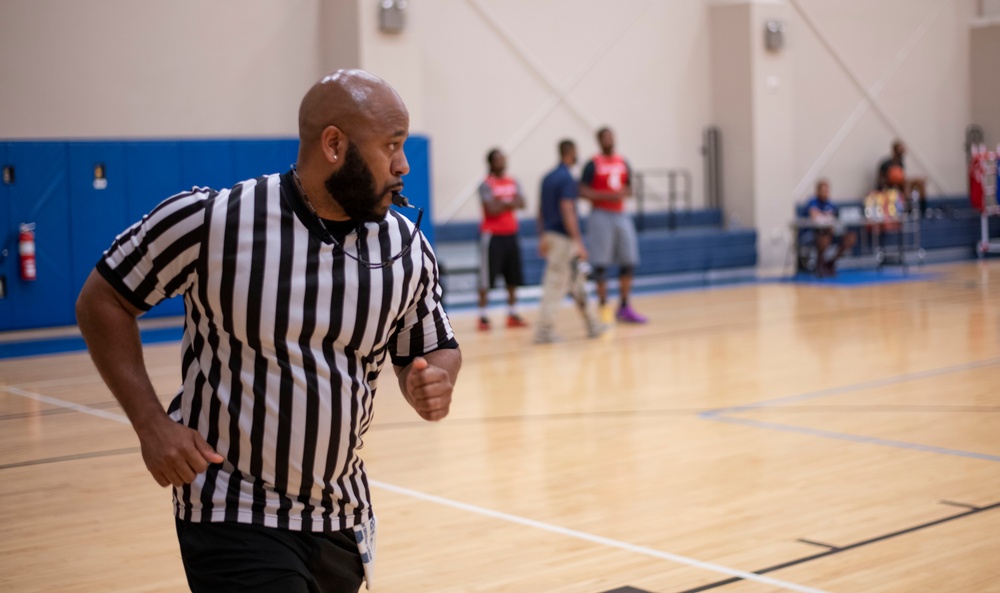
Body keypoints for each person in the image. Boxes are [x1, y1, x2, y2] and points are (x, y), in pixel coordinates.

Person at [75, 69, 461, 593]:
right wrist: (150, 424)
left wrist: (435, 380)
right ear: (333, 145)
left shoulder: (406, 248)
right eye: (390, 145)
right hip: (231, 506)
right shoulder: (213, 222)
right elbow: (105, 298)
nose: (403, 164)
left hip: (339, 514)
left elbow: (435, 347)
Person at [535, 139, 605, 343]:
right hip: (564, 239)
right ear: (571, 153)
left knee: (578, 283)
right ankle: (544, 332)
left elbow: (540, 210)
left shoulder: (547, 178)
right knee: (555, 284)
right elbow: (568, 210)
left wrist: (541, 237)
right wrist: (579, 242)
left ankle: (593, 325)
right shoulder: (566, 179)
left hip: (552, 235)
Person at [579, 127, 647, 324]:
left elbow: (630, 188)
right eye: (605, 138)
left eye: (611, 137)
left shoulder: (623, 161)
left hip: (620, 213)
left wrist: (622, 193)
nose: (609, 140)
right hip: (600, 214)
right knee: (600, 262)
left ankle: (625, 306)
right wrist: (605, 196)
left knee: (629, 260)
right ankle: (603, 307)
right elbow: (582, 190)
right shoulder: (592, 164)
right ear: (599, 141)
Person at [476, 148, 528, 331]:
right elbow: (491, 209)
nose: (502, 162)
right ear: (491, 162)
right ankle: (482, 316)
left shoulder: (513, 181)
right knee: (486, 278)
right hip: (492, 235)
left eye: (503, 159)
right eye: (498, 159)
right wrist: (510, 202)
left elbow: (522, 203)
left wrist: (502, 202)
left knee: (513, 277)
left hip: (511, 233)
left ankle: (512, 313)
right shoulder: (485, 184)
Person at [805, 179, 857, 277]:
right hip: (817, 233)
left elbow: (836, 217)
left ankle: (831, 262)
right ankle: (820, 264)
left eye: (827, 190)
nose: (825, 193)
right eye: (823, 190)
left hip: (833, 231)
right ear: (817, 191)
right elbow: (814, 216)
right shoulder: (813, 201)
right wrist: (826, 217)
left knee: (850, 238)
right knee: (824, 238)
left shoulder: (831, 204)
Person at [876, 139, 926, 216]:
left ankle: (923, 210)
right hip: (890, 186)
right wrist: (892, 179)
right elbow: (880, 181)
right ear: (894, 151)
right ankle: (908, 207)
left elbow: (903, 178)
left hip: (901, 185)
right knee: (906, 183)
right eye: (899, 150)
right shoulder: (886, 164)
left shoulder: (901, 164)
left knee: (919, 183)